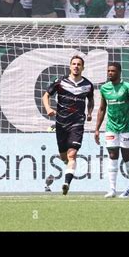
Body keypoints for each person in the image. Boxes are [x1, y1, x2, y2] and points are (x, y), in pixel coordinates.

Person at [42, 55, 94, 195]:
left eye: (79, 64)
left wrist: (89, 113)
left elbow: (91, 100)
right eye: (74, 64)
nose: (76, 66)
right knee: (65, 157)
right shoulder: (60, 81)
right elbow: (45, 95)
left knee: (72, 155)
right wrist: (48, 109)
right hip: (61, 124)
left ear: (83, 67)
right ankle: (68, 170)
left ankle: (66, 183)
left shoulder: (88, 85)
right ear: (70, 66)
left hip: (77, 124)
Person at [94, 62, 129, 198]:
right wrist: (97, 129)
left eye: (113, 71)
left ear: (120, 72)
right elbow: (102, 109)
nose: (110, 73)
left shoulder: (128, 88)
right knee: (112, 156)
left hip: (126, 127)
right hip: (111, 128)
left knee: (127, 157)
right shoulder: (104, 88)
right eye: (108, 71)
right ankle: (112, 189)